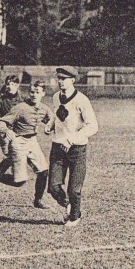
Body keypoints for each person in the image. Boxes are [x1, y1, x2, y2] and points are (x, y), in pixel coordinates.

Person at [0, 81, 53, 209]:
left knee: (44, 171)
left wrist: (50, 126)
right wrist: (7, 130)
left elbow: (51, 121)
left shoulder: (44, 109)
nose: (34, 95)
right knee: (19, 181)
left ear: (43, 94)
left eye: (37, 92)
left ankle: (38, 200)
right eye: (32, 92)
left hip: (32, 141)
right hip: (19, 142)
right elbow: (0, 123)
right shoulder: (20, 108)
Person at [46, 66, 98, 227]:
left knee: (74, 189)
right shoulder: (56, 97)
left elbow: (93, 126)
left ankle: (75, 216)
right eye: (59, 78)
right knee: (53, 187)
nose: (60, 81)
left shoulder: (81, 100)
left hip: (77, 149)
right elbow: (57, 114)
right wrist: (50, 124)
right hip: (58, 147)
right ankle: (68, 204)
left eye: (64, 79)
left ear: (73, 80)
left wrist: (72, 139)